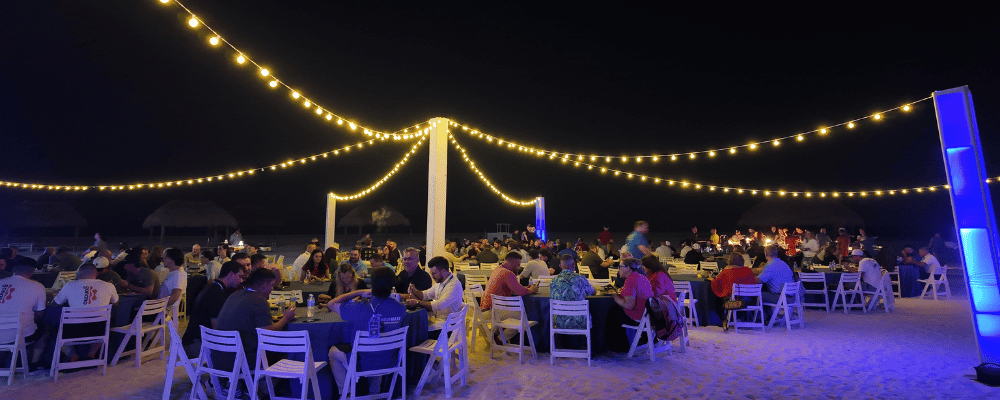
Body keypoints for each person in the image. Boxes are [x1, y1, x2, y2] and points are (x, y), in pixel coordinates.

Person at [326, 266, 407, 397]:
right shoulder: (401, 309)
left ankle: (346, 393)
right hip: (390, 362)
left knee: (333, 352)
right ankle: (374, 394)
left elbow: (330, 304)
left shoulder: (359, 308)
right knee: (379, 349)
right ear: (392, 285)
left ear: (372, 285)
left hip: (362, 365)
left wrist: (358, 292)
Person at [215, 268, 295, 378]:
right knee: (284, 351)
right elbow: (267, 333)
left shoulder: (234, 295)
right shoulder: (259, 301)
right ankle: (266, 389)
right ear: (264, 285)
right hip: (240, 361)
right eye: (271, 285)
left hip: (218, 357)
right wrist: (285, 318)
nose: (272, 289)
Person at [51, 263, 119, 361]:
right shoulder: (109, 285)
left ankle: (72, 355)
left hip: (72, 330)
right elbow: (115, 303)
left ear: (79, 274)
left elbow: (55, 304)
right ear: (96, 273)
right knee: (109, 323)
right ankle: (91, 354)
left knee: (54, 329)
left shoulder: (70, 285)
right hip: (99, 329)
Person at [182, 261, 244, 348]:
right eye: (240, 276)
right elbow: (217, 328)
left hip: (194, 340)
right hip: (197, 344)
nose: (241, 280)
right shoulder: (216, 292)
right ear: (230, 274)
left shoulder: (213, 287)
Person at [0, 262, 47, 365]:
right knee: (45, 329)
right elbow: (40, 313)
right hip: (17, 336)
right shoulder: (38, 286)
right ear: (31, 273)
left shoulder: (1, 282)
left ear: (13, 271)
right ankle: (33, 363)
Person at [606, 258, 654, 352]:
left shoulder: (630, 280)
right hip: (648, 314)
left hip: (638, 316)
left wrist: (614, 296)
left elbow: (629, 305)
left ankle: (620, 346)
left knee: (612, 313)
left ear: (627, 268)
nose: (618, 269)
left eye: (620, 267)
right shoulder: (642, 277)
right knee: (615, 310)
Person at [405, 256, 463, 321]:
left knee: (415, 325)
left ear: (443, 271)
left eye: (434, 273)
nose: (432, 276)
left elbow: (439, 305)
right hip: (439, 319)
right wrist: (415, 291)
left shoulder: (454, 285)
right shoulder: (441, 281)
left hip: (448, 325)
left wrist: (418, 302)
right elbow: (425, 295)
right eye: (431, 274)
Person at [710, 253, 758, 331]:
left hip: (734, 302)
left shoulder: (726, 271)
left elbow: (716, 283)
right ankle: (739, 318)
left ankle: (724, 319)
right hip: (750, 300)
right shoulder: (748, 271)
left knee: (717, 299)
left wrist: (711, 279)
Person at [549, 255, 596, 330]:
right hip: (580, 322)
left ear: (560, 266)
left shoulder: (553, 281)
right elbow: (592, 292)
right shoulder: (580, 279)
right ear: (574, 265)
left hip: (558, 322)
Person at [757, 245, 795, 316]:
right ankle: (770, 316)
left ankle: (762, 318)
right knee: (765, 293)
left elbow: (758, 281)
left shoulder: (770, 265)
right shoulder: (784, 264)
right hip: (791, 297)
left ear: (766, 254)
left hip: (781, 297)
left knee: (756, 295)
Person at [159, 249, 188, 313]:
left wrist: (154, 306)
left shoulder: (178, 275)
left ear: (172, 259)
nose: (163, 259)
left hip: (162, 313)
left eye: (165, 257)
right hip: (160, 311)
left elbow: (174, 297)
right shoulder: (174, 273)